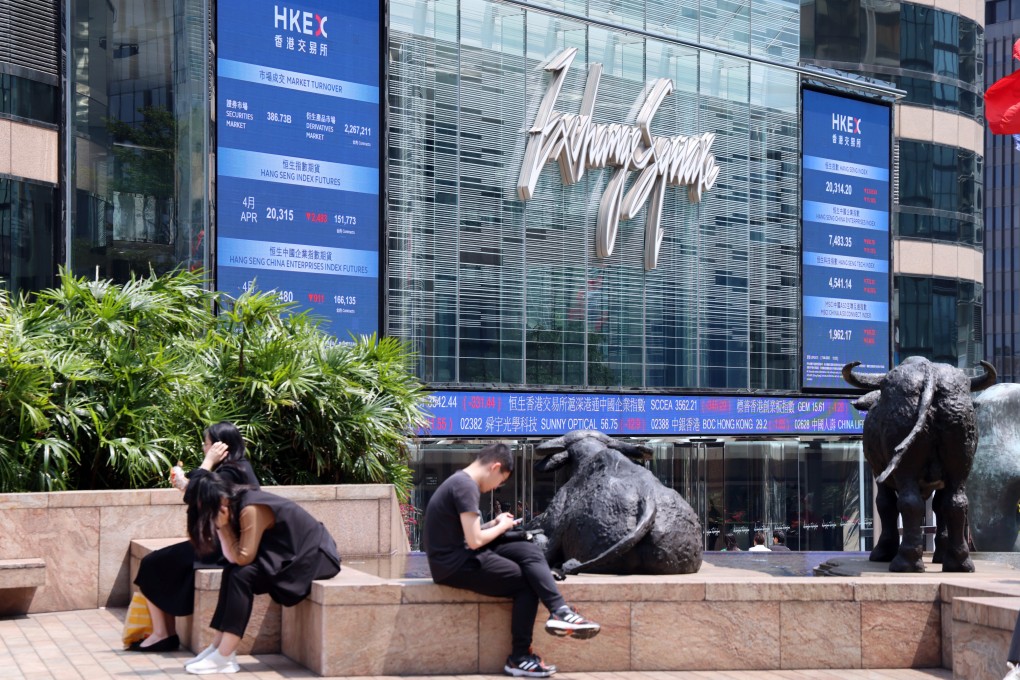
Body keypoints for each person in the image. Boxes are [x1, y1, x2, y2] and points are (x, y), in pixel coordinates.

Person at [424, 443, 600, 678]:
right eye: (500, 480)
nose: (496, 487)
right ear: (495, 467)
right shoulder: (466, 486)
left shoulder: (460, 482)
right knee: (527, 582)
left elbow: (469, 532)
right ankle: (520, 656)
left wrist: (495, 524)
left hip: (457, 556)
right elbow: (475, 540)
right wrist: (503, 526)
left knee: (527, 549)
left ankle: (559, 611)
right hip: (454, 564)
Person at [182, 470, 341, 674]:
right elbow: (234, 559)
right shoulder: (230, 505)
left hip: (314, 557)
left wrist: (223, 527)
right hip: (290, 554)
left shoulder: (250, 508)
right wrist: (222, 527)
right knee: (232, 572)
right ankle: (219, 648)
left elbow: (244, 557)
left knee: (241, 575)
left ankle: (224, 656)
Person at [130, 422, 260, 653]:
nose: (203, 447)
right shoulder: (233, 468)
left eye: (207, 443)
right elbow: (201, 493)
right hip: (219, 541)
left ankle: (162, 635)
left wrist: (207, 463)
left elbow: (200, 491)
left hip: (227, 547)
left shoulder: (234, 470)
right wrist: (187, 483)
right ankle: (164, 633)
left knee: (152, 563)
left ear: (221, 447)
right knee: (156, 562)